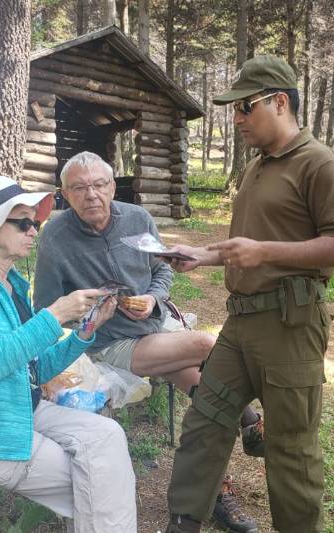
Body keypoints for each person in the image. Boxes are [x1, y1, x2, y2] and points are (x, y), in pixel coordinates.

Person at [163, 55, 334, 533]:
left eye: (245, 107)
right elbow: (244, 248)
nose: (237, 118)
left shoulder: (320, 163)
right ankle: (185, 522)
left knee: (290, 446)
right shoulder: (256, 167)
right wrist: (202, 255)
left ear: (280, 101)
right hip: (241, 322)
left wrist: (265, 251)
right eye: (234, 109)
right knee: (206, 421)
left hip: (290, 326)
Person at [33, 151, 260, 533]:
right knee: (207, 345)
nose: (91, 195)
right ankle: (253, 422)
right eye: (79, 188)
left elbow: (161, 270)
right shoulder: (55, 238)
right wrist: (88, 308)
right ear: (64, 194)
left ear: (112, 186)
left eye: (99, 185)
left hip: (156, 327)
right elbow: (47, 309)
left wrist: (153, 299)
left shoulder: (137, 219)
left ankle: (216, 491)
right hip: (107, 342)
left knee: (213, 394)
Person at [0, 175, 137, 532]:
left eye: (35, 223)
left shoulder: (11, 284)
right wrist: (54, 315)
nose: (34, 231)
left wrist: (85, 332)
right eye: (22, 223)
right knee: (103, 480)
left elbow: (34, 369)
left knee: (107, 438)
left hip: (16, 408)